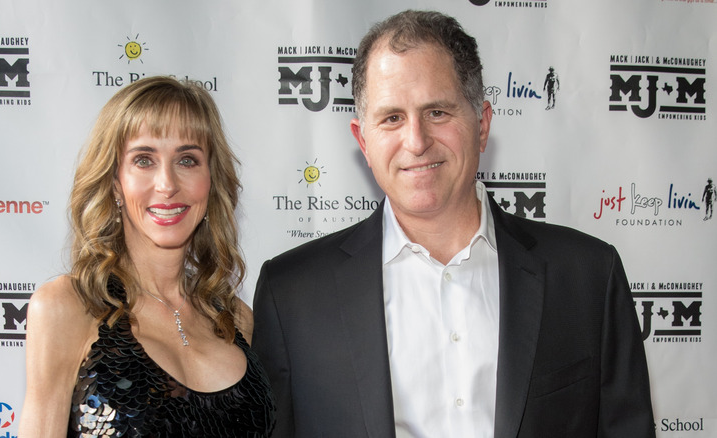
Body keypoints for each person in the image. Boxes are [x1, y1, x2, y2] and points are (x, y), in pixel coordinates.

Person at [252, 10, 654, 438]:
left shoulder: (588, 276)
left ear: (481, 125)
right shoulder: (291, 294)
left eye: (438, 112)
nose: (417, 141)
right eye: (392, 118)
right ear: (363, 141)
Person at [19, 76, 275, 437]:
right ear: (114, 183)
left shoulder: (234, 318)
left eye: (187, 160)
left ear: (211, 180)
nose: (167, 184)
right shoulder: (67, 307)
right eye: (144, 160)